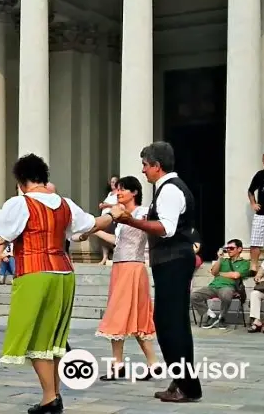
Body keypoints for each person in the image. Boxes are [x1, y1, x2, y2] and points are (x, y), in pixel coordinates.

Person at [0, 154, 114, 414]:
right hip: (63, 273)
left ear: (21, 181)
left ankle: (51, 398)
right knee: (55, 338)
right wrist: (113, 214)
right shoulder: (65, 203)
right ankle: (52, 396)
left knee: (36, 337)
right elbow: (93, 223)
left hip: (34, 272)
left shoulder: (21, 204)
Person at [112, 141, 201, 403]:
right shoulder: (167, 188)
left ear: (157, 166)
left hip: (174, 260)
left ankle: (187, 386)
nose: (143, 171)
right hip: (169, 261)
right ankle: (181, 382)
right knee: (169, 323)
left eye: (145, 165)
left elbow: (167, 227)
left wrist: (130, 221)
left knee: (171, 324)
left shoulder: (170, 190)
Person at [83, 176, 159, 380]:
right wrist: (94, 232)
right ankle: (133, 364)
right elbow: (118, 241)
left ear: (134, 192)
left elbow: (150, 229)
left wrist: (120, 215)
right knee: (122, 315)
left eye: (123, 189)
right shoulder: (118, 217)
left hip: (133, 267)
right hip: (120, 267)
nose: (119, 192)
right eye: (118, 189)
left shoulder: (143, 213)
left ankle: (147, 363)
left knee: (131, 315)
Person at [190, 239, 249, 329]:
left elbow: (236, 275)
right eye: (227, 248)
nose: (229, 250)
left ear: (239, 249)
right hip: (214, 286)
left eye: (231, 248)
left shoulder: (244, 263)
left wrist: (220, 274)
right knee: (193, 296)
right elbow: (214, 272)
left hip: (228, 286)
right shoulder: (223, 261)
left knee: (226, 295)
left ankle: (222, 317)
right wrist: (219, 259)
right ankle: (211, 316)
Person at [96, 175, 119, 265]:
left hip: (112, 218)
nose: (112, 183)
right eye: (111, 182)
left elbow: (117, 205)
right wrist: (102, 205)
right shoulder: (110, 194)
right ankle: (104, 257)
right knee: (103, 238)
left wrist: (107, 205)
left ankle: (114, 254)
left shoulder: (119, 193)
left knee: (111, 236)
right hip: (104, 217)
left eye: (114, 182)